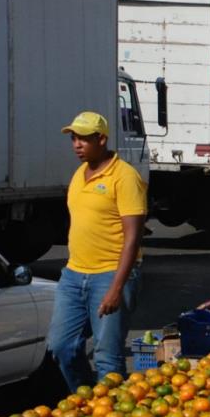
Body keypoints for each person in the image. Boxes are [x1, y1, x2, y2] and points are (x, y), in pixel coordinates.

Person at [48, 111, 147, 391]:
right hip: (74, 275)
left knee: (107, 356)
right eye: (74, 138)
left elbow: (133, 238)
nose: (76, 144)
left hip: (110, 275)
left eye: (84, 138)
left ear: (101, 139)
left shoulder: (125, 177)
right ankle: (86, 399)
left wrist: (117, 287)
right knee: (61, 346)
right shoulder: (80, 173)